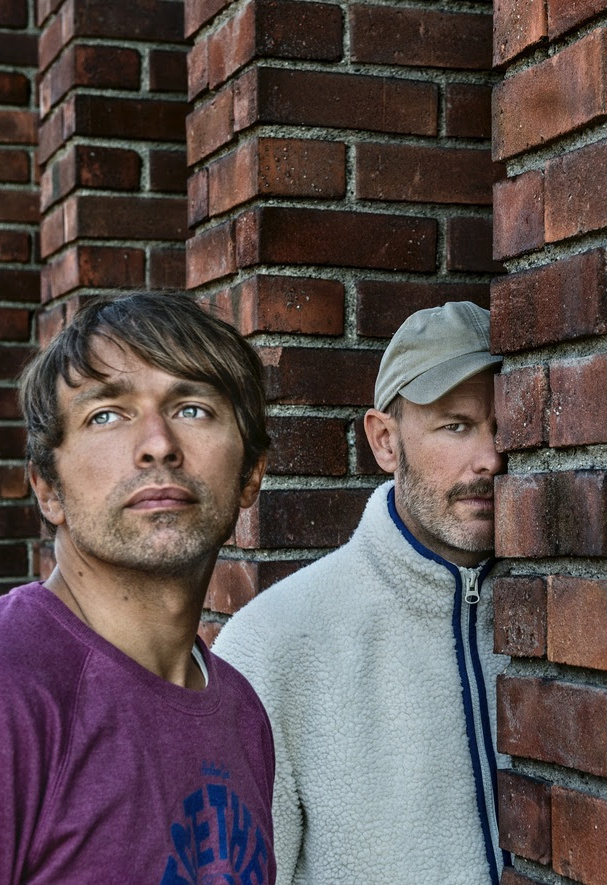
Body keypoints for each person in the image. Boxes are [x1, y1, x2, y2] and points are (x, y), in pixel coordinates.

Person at [0, 292, 276, 883]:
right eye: (106, 415)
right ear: (48, 490)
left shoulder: (242, 713)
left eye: (192, 408)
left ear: (250, 475)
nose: (159, 443)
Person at [213, 300, 508, 885]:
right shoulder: (272, 645)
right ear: (384, 441)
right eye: (456, 425)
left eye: (504, 428)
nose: (490, 459)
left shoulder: (560, 618)